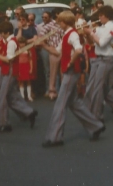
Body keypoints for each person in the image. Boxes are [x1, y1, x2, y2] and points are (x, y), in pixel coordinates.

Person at [40, 11, 105, 147]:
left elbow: (78, 49)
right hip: (69, 71)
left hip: (71, 71)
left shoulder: (73, 34)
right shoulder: (66, 34)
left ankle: (55, 137)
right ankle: (96, 125)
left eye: (60, 22)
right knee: (74, 102)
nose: (59, 24)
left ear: (65, 22)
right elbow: (57, 52)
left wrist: (70, 62)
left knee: (60, 104)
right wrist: (43, 45)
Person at [82, 6, 113, 123]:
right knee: (93, 87)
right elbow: (92, 42)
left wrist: (90, 32)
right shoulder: (102, 27)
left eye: (101, 15)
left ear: (107, 16)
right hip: (98, 58)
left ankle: (96, 115)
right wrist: (87, 34)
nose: (99, 17)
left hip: (107, 58)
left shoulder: (112, 27)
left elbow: (102, 43)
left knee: (97, 88)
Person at [0, 22, 38, 133]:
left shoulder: (11, 43)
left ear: (7, 32)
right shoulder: (8, 41)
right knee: (10, 96)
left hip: (10, 70)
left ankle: (4, 123)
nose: (1, 35)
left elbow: (9, 59)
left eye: (2, 33)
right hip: (8, 70)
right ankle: (28, 112)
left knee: (2, 97)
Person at [37, 10, 63, 99]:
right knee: (51, 71)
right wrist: (46, 42)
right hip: (51, 49)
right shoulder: (48, 26)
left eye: (46, 17)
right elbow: (40, 36)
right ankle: (51, 90)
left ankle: (59, 91)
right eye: (43, 17)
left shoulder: (62, 26)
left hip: (60, 50)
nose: (44, 19)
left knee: (60, 72)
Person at [17, 36, 33, 101]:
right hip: (20, 66)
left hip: (27, 66)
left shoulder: (28, 50)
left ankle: (29, 96)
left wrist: (31, 68)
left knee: (28, 81)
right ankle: (22, 96)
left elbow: (30, 60)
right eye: (20, 43)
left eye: (23, 43)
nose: (22, 44)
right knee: (21, 82)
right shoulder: (17, 50)